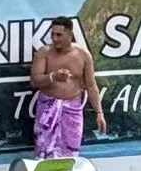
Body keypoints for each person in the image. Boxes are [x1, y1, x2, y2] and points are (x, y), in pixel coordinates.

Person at [27, 17, 104, 158]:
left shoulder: (83, 55)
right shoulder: (44, 53)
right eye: (53, 35)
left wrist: (99, 113)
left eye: (59, 35)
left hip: (72, 109)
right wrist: (53, 77)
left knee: (70, 153)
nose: (55, 39)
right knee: (44, 152)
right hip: (48, 108)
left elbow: (91, 85)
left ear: (69, 35)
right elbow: (34, 81)